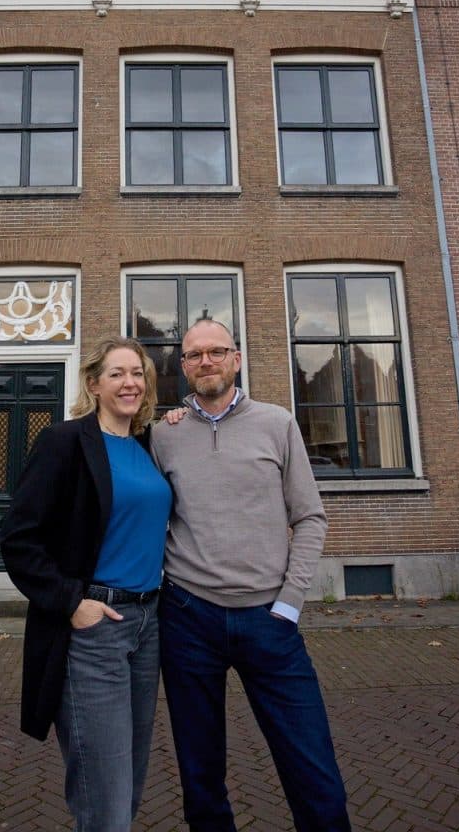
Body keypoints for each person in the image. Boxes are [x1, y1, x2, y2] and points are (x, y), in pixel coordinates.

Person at [152, 318, 351, 832]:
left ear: (236, 359)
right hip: (188, 618)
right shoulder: (162, 435)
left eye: (216, 352)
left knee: (311, 765)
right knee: (200, 773)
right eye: (193, 355)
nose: (205, 362)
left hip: (270, 620)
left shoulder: (277, 423)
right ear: (183, 366)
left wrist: (290, 602)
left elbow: (309, 518)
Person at [0, 335, 172, 832]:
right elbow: (18, 538)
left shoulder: (148, 445)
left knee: (131, 778)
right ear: (94, 384)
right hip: (95, 627)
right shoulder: (65, 441)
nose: (129, 383)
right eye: (116, 373)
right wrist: (72, 602)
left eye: (137, 373)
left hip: (147, 626)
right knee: (105, 791)